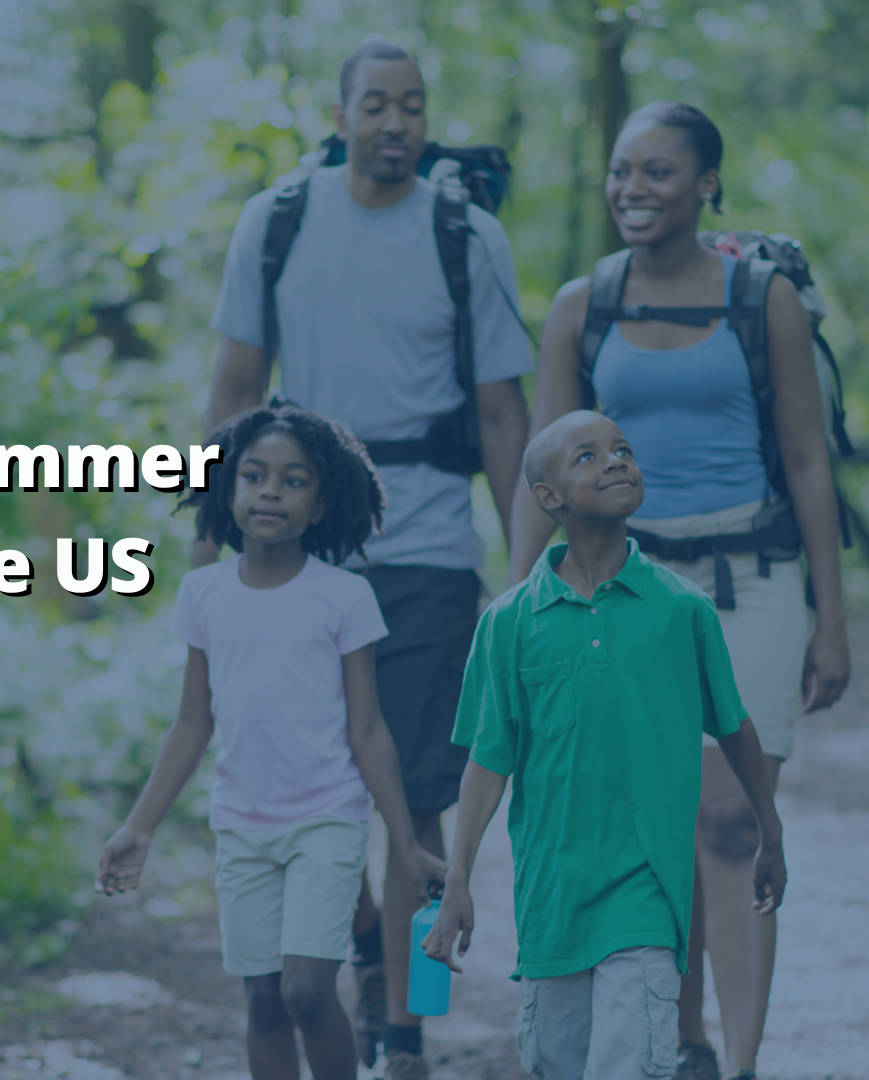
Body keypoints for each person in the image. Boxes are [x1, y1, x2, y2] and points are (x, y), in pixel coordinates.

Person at [201, 38, 534, 1078]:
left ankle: (412, 1024)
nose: (396, 122)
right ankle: (363, 953)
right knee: (309, 790)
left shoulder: (465, 236)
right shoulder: (278, 223)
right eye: (377, 104)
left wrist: (524, 573)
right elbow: (234, 393)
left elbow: (500, 415)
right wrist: (212, 545)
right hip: (300, 555)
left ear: (428, 121)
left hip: (431, 546)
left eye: (414, 106)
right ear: (341, 114)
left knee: (420, 803)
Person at [506, 102, 851, 1080]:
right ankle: (681, 1043)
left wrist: (835, 615)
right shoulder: (584, 304)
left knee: (732, 818)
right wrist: (517, 604)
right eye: (622, 172)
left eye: (658, 173)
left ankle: (739, 1060)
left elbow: (806, 461)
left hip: (754, 579)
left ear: (707, 184)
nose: (633, 191)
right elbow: (543, 468)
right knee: (652, 824)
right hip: (625, 588)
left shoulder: (762, 298)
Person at [424, 410, 786, 1080]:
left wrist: (772, 831)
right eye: (587, 456)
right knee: (557, 1060)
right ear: (548, 498)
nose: (615, 461)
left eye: (621, 449)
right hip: (552, 898)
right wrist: (459, 878)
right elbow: (487, 760)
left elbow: (734, 727)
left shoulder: (682, 611)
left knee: (628, 1065)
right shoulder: (507, 624)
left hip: (647, 891)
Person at [97, 405, 448, 1080]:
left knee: (307, 991)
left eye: (293, 481)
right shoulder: (202, 594)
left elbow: (368, 728)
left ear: (320, 506)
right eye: (254, 476)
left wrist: (404, 844)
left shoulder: (344, 598)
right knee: (263, 1001)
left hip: (326, 819)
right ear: (228, 491)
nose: (269, 492)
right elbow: (192, 724)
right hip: (242, 826)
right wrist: (138, 826)